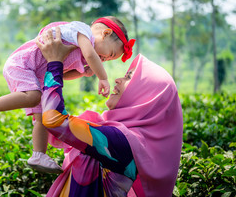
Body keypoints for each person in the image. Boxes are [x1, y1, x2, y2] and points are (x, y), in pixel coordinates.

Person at [0, 16, 136, 174]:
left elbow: (62, 74)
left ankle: (38, 155)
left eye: (109, 59)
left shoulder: (81, 52)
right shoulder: (82, 31)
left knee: (42, 117)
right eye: (111, 53)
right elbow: (91, 55)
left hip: (36, 74)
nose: (106, 59)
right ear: (105, 33)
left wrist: (82, 73)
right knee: (34, 97)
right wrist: (103, 78)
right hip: (23, 64)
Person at [35, 27, 183, 196]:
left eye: (128, 78)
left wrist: (55, 63)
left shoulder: (123, 143)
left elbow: (54, 120)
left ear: (146, 97)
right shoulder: (123, 137)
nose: (118, 80)